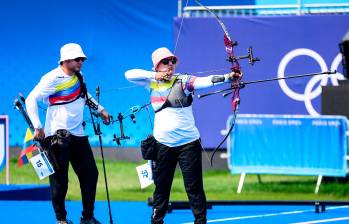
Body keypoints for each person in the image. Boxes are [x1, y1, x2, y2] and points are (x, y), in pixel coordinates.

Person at [125, 47, 241, 224]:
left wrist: (228, 77)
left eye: (172, 61)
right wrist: (154, 76)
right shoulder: (151, 82)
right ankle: (157, 221)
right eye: (165, 62)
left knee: (194, 187)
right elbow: (129, 74)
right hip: (163, 144)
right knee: (161, 187)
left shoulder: (184, 81)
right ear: (156, 66)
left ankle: (200, 221)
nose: (170, 64)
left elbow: (205, 81)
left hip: (188, 144)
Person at [26, 43, 110, 224]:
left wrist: (100, 109)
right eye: (77, 59)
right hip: (57, 136)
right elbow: (31, 98)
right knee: (59, 180)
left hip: (78, 134)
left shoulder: (79, 76)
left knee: (90, 174)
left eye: (82, 59)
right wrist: (38, 126)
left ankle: (87, 217)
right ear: (65, 60)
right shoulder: (52, 78)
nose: (81, 62)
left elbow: (85, 96)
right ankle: (61, 219)